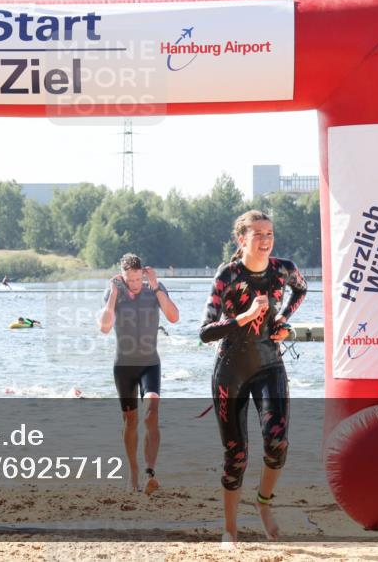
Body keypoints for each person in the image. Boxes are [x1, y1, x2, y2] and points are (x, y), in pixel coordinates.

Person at [199, 210, 307, 543]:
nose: (265, 240)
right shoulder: (228, 274)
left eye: (269, 233)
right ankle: (229, 529)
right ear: (241, 238)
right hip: (230, 371)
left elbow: (301, 291)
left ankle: (263, 504)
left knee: (277, 444)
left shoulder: (283, 269)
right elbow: (205, 332)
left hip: (269, 366)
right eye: (257, 234)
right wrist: (244, 317)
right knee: (237, 455)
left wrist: (283, 322)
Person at [99, 253, 180, 495]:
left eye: (137, 279)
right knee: (131, 421)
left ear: (143, 274)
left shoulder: (154, 289)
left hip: (149, 364)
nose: (133, 284)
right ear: (121, 277)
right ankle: (133, 470)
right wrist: (113, 294)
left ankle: (149, 472)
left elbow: (174, 317)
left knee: (151, 412)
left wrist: (155, 287)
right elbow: (104, 327)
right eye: (128, 280)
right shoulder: (115, 292)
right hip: (123, 367)